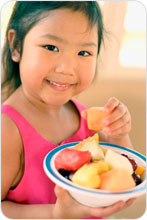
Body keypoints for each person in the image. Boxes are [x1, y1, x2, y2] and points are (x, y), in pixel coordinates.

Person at [1, 1, 135, 219]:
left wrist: (118, 133)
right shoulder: (7, 129)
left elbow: (125, 176)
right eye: (51, 47)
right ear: (16, 46)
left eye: (83, 52)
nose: (67, 68)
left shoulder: (85, 116)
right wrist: (56, 214)